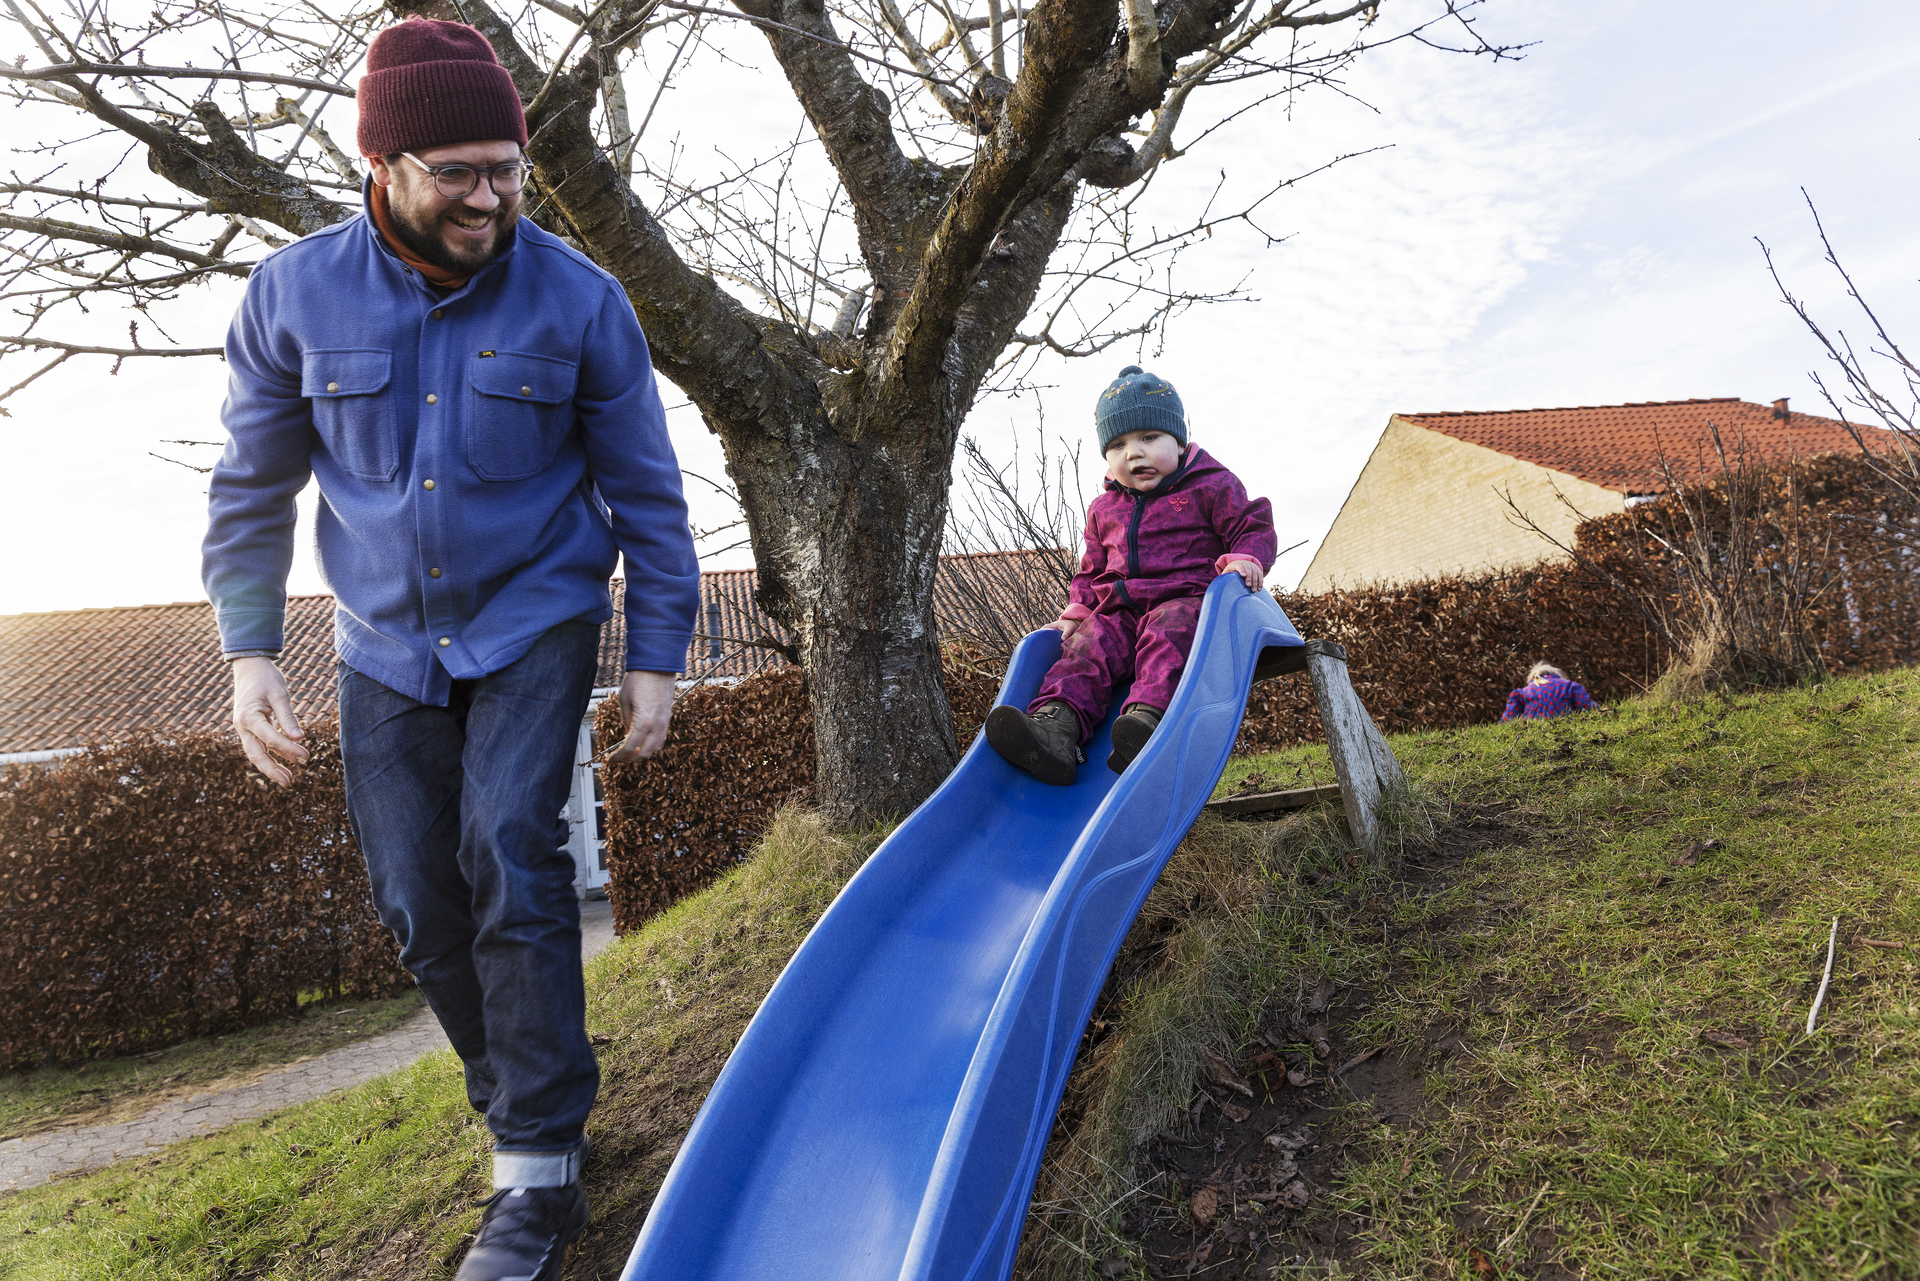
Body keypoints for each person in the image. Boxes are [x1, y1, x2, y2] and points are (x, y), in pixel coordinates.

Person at [201, 18, 698, 1280]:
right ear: (383, 163)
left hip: (537, 613)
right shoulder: (291, 297)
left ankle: (537, 1171)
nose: (491, 197)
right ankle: (527, 1097)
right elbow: (251, 490)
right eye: (458, 173)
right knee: (419, 898)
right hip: (381, 641)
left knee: (509, 852)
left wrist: (658, 649)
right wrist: (250, 652)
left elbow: (647, 492)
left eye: (508, 171)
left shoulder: (582, 299)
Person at [985, 366, 1276, 784]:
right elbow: (1092, 570)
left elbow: (1251, 524)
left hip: (1187, 601)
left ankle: (1148, 722)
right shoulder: (1104, 510)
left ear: (1178, 440)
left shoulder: (1210, 486)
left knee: (1167, 636)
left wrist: (1246, 557)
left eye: (1148, 438)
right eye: (1118, 444)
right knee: (1088, 648)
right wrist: (1076, 612)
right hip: (1120, 609)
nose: (1133, 453)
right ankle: (1056, 728)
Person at [1501, 662, 1599, 720]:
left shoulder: (1523, 692)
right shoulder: (1570, 686)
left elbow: (1508, 717)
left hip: (1529, 734)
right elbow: (1586, 706)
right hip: (1563, 729)